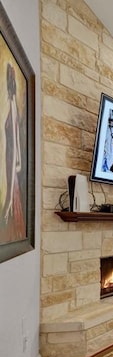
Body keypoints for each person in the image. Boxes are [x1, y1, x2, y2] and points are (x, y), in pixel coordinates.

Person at [0, 62, 25, 242]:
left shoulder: (10, 105)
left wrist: (8, 198)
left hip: (9, 174)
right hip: (10, 171)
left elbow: (14, 150)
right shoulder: (12, 105)